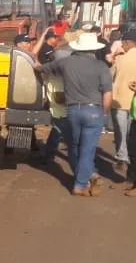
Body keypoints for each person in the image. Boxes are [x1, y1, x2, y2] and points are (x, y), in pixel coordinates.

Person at [33, 32, 112, 196]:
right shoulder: (102, 66)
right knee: (88, 149)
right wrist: (103, 113)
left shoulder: (66, 62)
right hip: (94, 110)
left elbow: (42, 69)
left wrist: (35, 63)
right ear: (93, 49)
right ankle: (82, 182)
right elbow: (107, 94)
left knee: (76, 146)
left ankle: (88, 177)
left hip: (73, 110)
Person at [109, 32, 136, 176]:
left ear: (127, 43)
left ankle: (123, 158)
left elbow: (109, 74)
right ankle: (130, 158)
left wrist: (114, 56)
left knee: (120, 132)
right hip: (134, 101)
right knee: (131, 133)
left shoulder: (121, 58)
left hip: (119, 100)